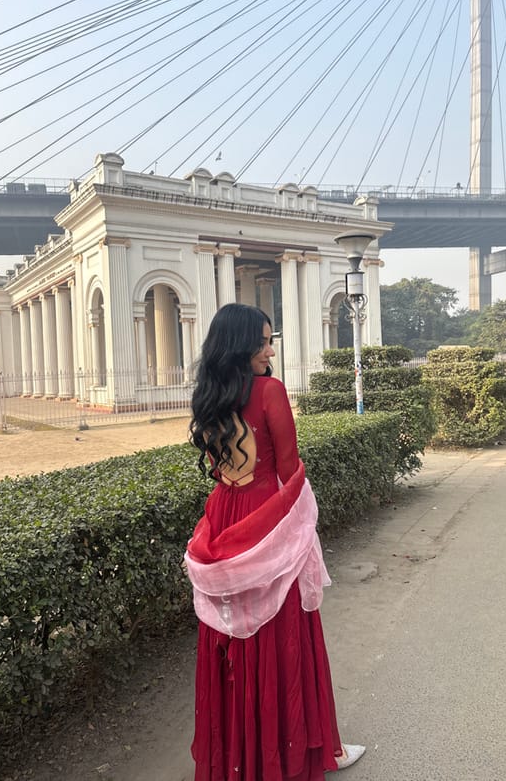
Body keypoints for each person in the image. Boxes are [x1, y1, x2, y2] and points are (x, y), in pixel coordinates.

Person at [185, 303, 365, 781]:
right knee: (281, 630)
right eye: (262, 343)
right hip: (269, 516)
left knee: (232, 632)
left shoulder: (207, 396)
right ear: (239, 346)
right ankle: (294, 751)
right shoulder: (270, 391)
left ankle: (238, 756)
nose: (269, 351)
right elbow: (289, 470)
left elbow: (219, 470)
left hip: (225, 514)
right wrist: (303, 531)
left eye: (270, 342)